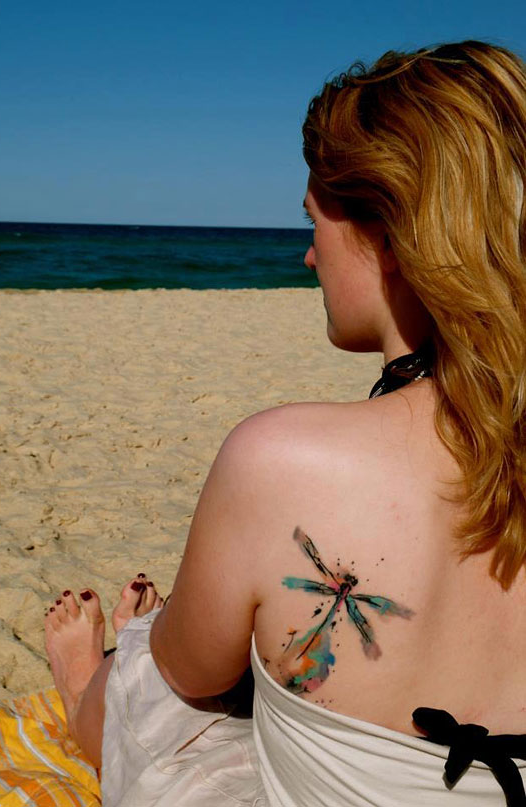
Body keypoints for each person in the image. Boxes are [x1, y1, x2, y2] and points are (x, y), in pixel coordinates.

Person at [45, 40, 526, 806]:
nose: (306, 256)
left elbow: (189, 671)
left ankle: (82, 690)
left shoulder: (280, 460)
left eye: (313, 221)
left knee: (161, 664)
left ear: (387, 230)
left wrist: (152, 639)